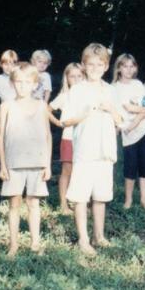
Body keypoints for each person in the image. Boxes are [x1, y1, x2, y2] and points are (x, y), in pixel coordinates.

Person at [61, 43, 123, 256]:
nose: (95, 68)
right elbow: (66, 120)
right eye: (91, 64)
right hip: (85, 151)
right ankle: (83, 239)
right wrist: (84, 113)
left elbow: (121, 121)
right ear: (84, 66)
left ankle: (99, 235)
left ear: (106, 66)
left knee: (101, 196)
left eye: (100, 64)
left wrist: (111, 109)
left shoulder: (111, 90)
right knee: (80, 196)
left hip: (105, 151)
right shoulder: (77, 90)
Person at [0, 62, 52, 257]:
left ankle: (35, 243)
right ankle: (13, 245)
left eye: (27, 82)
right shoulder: (6, 106)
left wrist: (47, 164)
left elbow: (47, 136)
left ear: (35, 84)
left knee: (34, 204)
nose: (22, 86)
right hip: (14, 164)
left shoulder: (41, 105)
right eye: (18, 82)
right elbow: (1, 136)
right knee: (14, 205)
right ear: (12, 83)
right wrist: (3, 165)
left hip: (37, 163)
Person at [112, 54, 145, 210]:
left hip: (144, 128)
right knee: (130, 167)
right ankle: (128, 199)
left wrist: (142, 111)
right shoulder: (114, 88)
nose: (128, 69)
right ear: (118, 68)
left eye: (132, 66)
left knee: (144, 164)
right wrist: (121, 125)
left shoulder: (139, 84)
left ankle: (144, 200)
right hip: (127, 131)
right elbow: (117, 111)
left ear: (136, 68)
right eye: (125, 66)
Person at [49, 62, 85, 215]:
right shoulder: (64, 96)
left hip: (85, 139)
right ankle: (64, 205)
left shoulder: (89, 95)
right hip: (68, 139)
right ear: (67, 78)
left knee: (83, 172)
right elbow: (46, 109)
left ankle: (81, 204)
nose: (76, 79)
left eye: (79, 76)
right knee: (67, 171)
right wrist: (57, 122)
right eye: (72, 76)